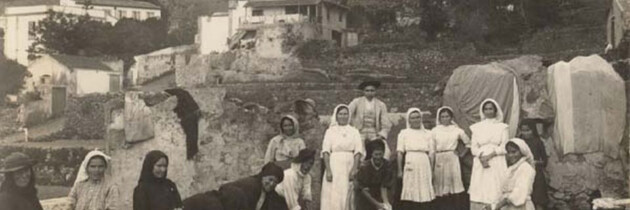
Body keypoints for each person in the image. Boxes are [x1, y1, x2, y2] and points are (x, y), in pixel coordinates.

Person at [183, 162, 288, 210]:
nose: (271, 184)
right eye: (270, 180)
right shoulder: (251, 185)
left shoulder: (265, 192)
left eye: (275, 182)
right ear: (263, 176)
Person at [320, 104, 365, 210]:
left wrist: (354, 168)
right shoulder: (330, 131)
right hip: (334, 164)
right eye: (341, 114)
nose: (343, 116)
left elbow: (358, 151)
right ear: (336, 116)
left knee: (347, 191)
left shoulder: (354, 131)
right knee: (333, 193)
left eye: (345, 114)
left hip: (349, 164)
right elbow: (326, 151)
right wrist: (328, 170)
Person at [468, 99, 509, 210]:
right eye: (486, 109)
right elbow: (474, 148)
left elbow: (505, 146)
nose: (488, 111)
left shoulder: (502, 127)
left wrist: (490, 155)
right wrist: (481, 157)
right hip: (480, 161)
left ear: (495, 110)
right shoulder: (476, 127)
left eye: (490, 109)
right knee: (481, 187)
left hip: (496, 159)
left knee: (496, 186)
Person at [431, 106, 470, 209]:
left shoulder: (457, 130)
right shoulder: (434, 131)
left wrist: (462, 154)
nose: (445, 119)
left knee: (454, 183)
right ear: (439, 118)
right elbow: (432, 148)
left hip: (452, 157)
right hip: (439, 157)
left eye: (447, 116)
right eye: (442, 116)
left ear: (451, 117)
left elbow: (468, 143)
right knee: (439, 183)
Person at [396, 108, 435, 209]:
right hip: (410, 160)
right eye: (413, 118)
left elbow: (431, 153)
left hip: (424, 162)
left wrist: (431, 169)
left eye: (418, 117)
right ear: (409, 120)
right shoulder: (404, 133)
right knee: (410, 188)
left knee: (424, 189)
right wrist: (400, 170)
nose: (416, 120)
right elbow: (400, 152)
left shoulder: (428, 133)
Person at [348, 80, 392, 160]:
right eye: (367, 91)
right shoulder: (356, 102)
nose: (369, 93)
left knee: (386, 152)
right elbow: (348, 113)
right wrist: (350, 130)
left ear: (375, 92)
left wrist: (381, 135)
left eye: (372, 90)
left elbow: (386, 123)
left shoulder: (381, 105)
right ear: (363, 92)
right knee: (360, 152)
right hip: (359, 132)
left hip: (374, 132)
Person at [491, 138, 536, 210]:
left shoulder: (526, 168)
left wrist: (497, 206)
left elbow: (519, 193)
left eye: (514, 152)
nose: (510, 155)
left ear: (522, 152)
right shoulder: (511, 169)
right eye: (508, 152)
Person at [517, 120, 549, 210]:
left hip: (536, 173)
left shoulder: (538, 142)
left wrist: (534, 162)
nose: (525, 133)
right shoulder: (519, 142)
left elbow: (545, 161)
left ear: (533, 130)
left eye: (528, 130)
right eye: (523, 131)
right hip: (522, 173)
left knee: (538, 197)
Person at [355, 140, 394, 210]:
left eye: (380, 154)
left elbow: (384, 187)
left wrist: (386, 203)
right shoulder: (364, 167)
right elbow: (364, 190)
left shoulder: (387, 165)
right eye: (376, 154)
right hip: (365, 198)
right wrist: (377, 204)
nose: (378, 157)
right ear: (372, 154)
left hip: (379, 195)